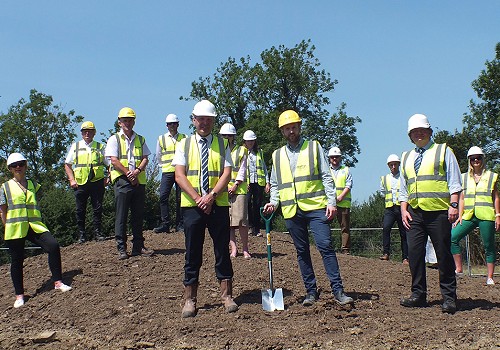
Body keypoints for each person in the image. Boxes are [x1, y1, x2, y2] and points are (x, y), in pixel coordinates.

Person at [263, 110, 353, 307]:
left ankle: (338, 290)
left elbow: (326, 176)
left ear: (299, 127)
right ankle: (311, 292)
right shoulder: (277, 155)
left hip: (316, 208)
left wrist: (331, 202)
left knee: (325, 246)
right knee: (301, 251)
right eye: (287, 128)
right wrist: (274, 202)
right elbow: (276, 184)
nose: (291, 131)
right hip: (291, 210)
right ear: (282, 132)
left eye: (294, 127)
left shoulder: (314, 147)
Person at [173, 100, 238, 318]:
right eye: (201, 119)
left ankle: (227, 296)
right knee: (192, 253)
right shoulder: (184, 144)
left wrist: (210, 197)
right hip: (192, 207)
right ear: (194, 120)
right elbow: (179, 175)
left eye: (209, 119)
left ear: (213, 121)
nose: (205, 123)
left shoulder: (222, 144)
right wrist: (198, 198)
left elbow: (227, 173)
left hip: (217, 204)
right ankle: (190, 299)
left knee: (222, 251)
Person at [399, 113, 461, 314]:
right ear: (410, 135)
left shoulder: (443, 151)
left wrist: (453, 205)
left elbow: (454, 182)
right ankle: (418, 294)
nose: (419, 134)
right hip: (414, 213)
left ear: (429, 132)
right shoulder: (407, 157)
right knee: (415, 254)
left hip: (439, 212)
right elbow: (403, 187)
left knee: (443, 255)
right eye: (415, 132)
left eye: (422, 130)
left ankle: (449, 297)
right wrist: (403, 209)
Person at [0, 153, 72, 308]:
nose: (18, 167)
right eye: (14, 165)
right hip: (15, 228)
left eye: (20, 164)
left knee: (53, 246)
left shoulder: (34, 184)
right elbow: (2, 210)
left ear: (25, 165)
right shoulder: (5, 187)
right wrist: (7, 227)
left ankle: (58, 282)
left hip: (34, 225)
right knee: (17, 261)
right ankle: (19, 295)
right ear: (10, 169)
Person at [105, 107, 153, 260]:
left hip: (138, 180)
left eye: (130, 120)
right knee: (122, 215)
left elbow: (146, 157)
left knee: (138, 215)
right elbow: (113, 160)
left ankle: (138, 246)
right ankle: (121, 248)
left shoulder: (140, 139)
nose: (128, 123)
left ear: (134, 121)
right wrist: (128, 174)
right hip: (122, 180)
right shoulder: (114, 139)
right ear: (119, 122)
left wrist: (137, 172)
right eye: (125, 120)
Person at [451, 146, 499, 285]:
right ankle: (459, 269)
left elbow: (496, 197)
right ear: (469, 161)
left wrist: (498, 215)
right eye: (473, 158)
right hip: (469, 215)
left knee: (488, 245)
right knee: (453, 237)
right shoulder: (463, 177)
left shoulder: (491, 176)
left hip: (486, 215)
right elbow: (462, 198)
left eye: (478, 158)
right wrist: (460, 215)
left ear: (483, 159)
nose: (476, 160)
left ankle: (489, 277)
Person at [64, 121, 108, 243]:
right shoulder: (75, 146)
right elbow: (67, 164)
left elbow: (109, 164)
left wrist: (108, 177)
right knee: (80, 209)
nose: (87, 133)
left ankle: (98, 233)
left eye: (89, 131)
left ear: (94, 133)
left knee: (98, 208)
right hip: (80, 182)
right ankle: (82, 235)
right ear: (81, 133)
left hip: (97, 181)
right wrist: (71, 179)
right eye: (84, 131)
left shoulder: (100, 147)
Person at [220, 123, 251, 259]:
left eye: (229, 135)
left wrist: (235, 185)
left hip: (239, 189)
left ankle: (245, 248)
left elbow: (243, 169)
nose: (227, 137)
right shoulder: (218, 151)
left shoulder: (241, 150)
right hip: (224, 190)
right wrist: (225, 186)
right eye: (224, 135)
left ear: (233, 137)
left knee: (242, 221)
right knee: (229, 222)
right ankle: (234, 249)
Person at [153, 113, 186, 233]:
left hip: (180, 171)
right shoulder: (161, 139)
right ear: (166, 125)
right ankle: (165, 224)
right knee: (163, 197)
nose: (172, 126)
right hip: (167, 171)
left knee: (181, 198)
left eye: (174, 123)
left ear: (178, 124)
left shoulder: (184, 138)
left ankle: (180, 224)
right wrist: (163, 166)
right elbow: (158, 156)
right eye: (170, 124)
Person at [379, 154, 408, 264]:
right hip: (390, 208)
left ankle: (406, 257)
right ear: (388, 166)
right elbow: (382, 192)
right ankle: (386, 253)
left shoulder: (403, 177)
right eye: (391, 165)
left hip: (401, 208)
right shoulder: (384, 178)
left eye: (395, 164)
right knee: (386, 229)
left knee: (404, 232)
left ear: (398, 164)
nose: (393, 167)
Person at [244, 130, 270, 237]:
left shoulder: (259, 152)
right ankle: (250, 226)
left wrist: (267, 182)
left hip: (259, 182)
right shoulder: (242, 152)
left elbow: (263, 167)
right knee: (247, 203)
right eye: (248, 141)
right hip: (248, 183)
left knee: (257, 205)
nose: (250, 143)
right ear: (245, 141)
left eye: (252, 141)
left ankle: (257, 228)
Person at [328, 147, 353, 254]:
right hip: (329, 204)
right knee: (325, 226)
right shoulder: (326, 170)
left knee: (345, 227)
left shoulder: (346, 169)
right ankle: (327, 247)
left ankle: (345, 249)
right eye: (332, 157)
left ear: (340, 158)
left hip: (343, 203)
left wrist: (341, 197)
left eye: (336, 157)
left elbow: (349, 184)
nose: (334, 158)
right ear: (329, 158)